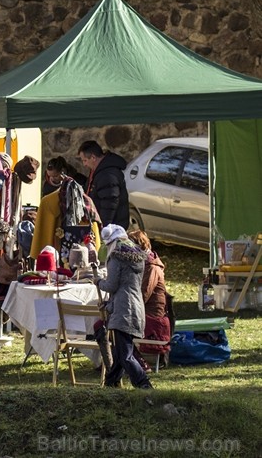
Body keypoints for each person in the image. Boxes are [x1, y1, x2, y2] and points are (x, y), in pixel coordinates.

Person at [96, 224, 152, 390]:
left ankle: (143, 384)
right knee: (120, 353)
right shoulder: (137, 258)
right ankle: (111, 383)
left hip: (124, 310)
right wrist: (109, 305)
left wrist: (98, 282)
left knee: (125, 355)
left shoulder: (116, 257)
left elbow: (112, 286)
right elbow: (125, 287)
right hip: (135, 306)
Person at [127, 229, 172, 367]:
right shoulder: (143, 264)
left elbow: (142, 295)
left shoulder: (151, 267)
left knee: (117, 325)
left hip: (151, 316)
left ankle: (135, 361)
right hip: (143, 312)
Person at [78, 140, 129, 229]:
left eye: (85, 160)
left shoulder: (107, 175)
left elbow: (109, 204)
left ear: (93, 157)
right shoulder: (97, 172)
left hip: (112, 229)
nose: (84, 164)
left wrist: (103, 228)